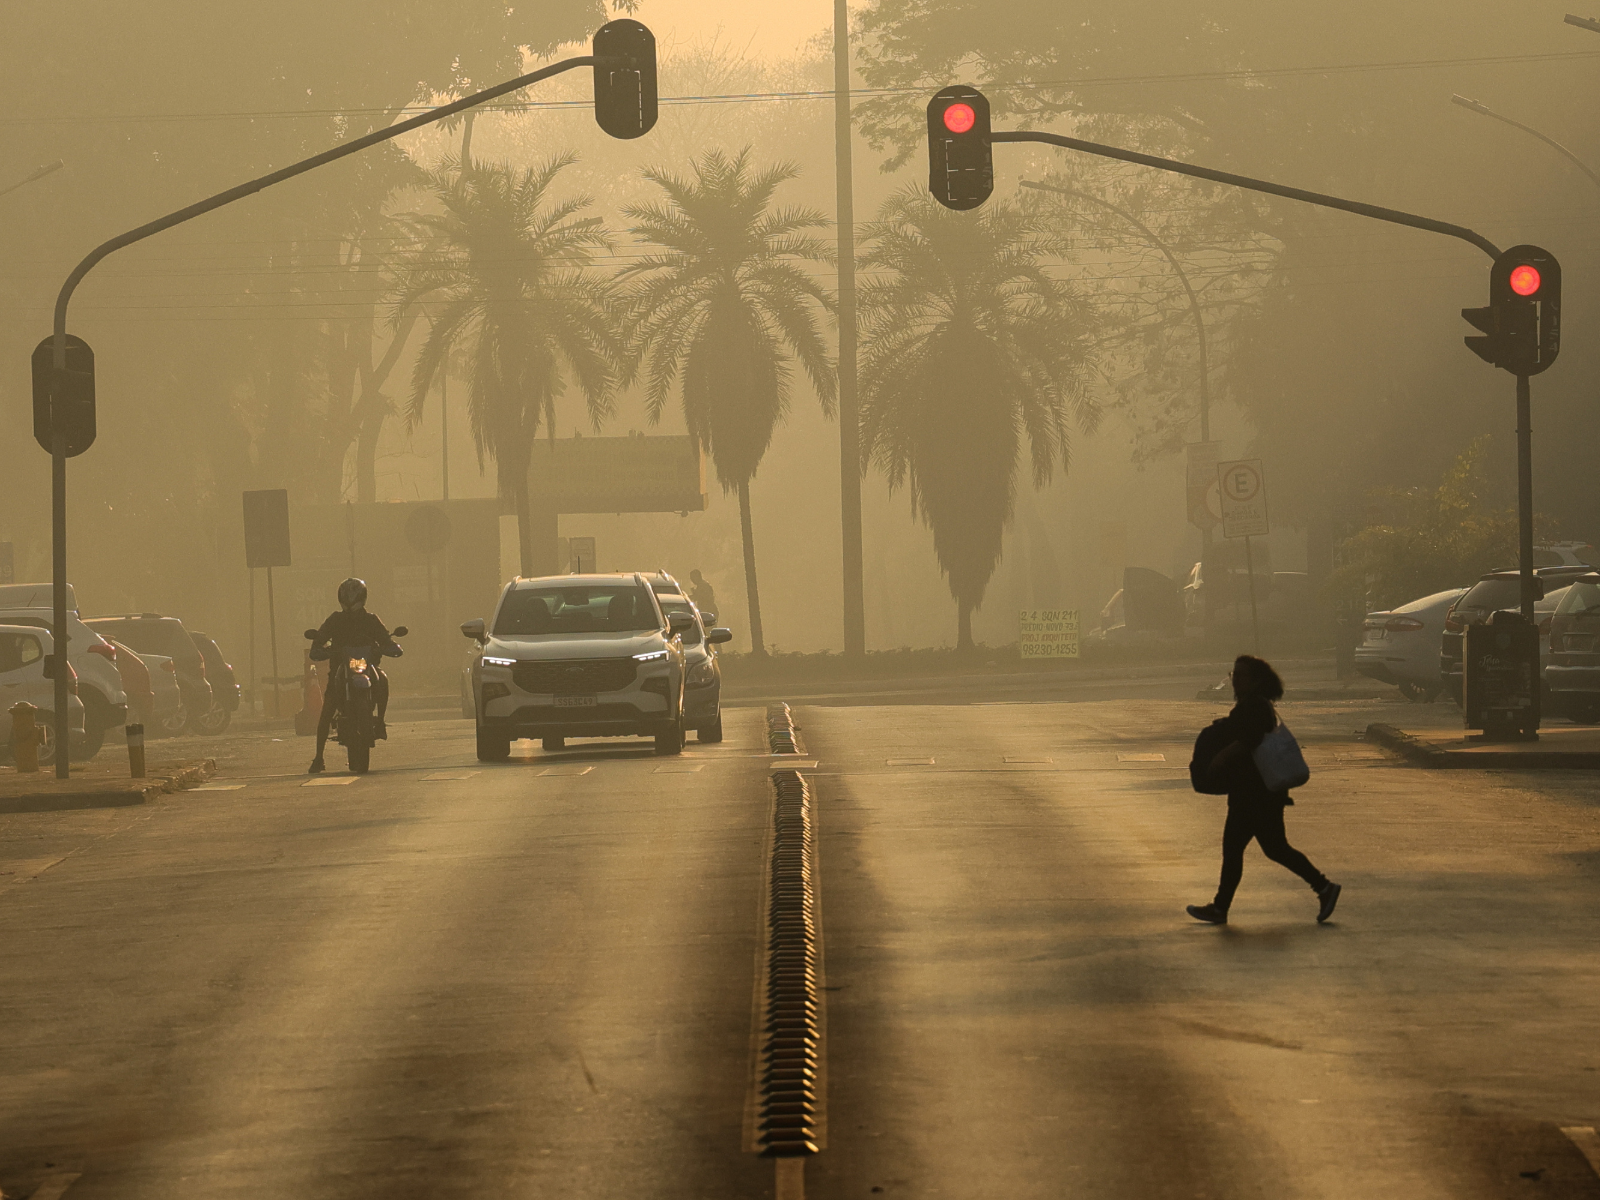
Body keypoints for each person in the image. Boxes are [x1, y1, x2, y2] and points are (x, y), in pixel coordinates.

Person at [1186, 654, 1341, 925]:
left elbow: (1249, 738)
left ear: (1255, 679)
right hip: (1257, 791)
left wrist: (1222, 757)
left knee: (1238, 849)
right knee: (1273, 848)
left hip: (1254, 793)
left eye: (1241, 675)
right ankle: (1323, 887)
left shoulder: (1255, 706)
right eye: (1233, 675)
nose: (1235, 681)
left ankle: (1221, 908)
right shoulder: (1254, 704)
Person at [308, 577, 394, 774]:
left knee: (383, 680)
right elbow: (318, 643)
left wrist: (390, 647)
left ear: (362, 599)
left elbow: (386, 639)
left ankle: (380, 722)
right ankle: (318, 757)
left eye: (353, 599)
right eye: (346, 599)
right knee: (327, 710)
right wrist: (323, 650)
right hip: (341, 669)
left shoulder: (371, 619)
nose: (349, 603)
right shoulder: (335, 620)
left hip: (366, 666)